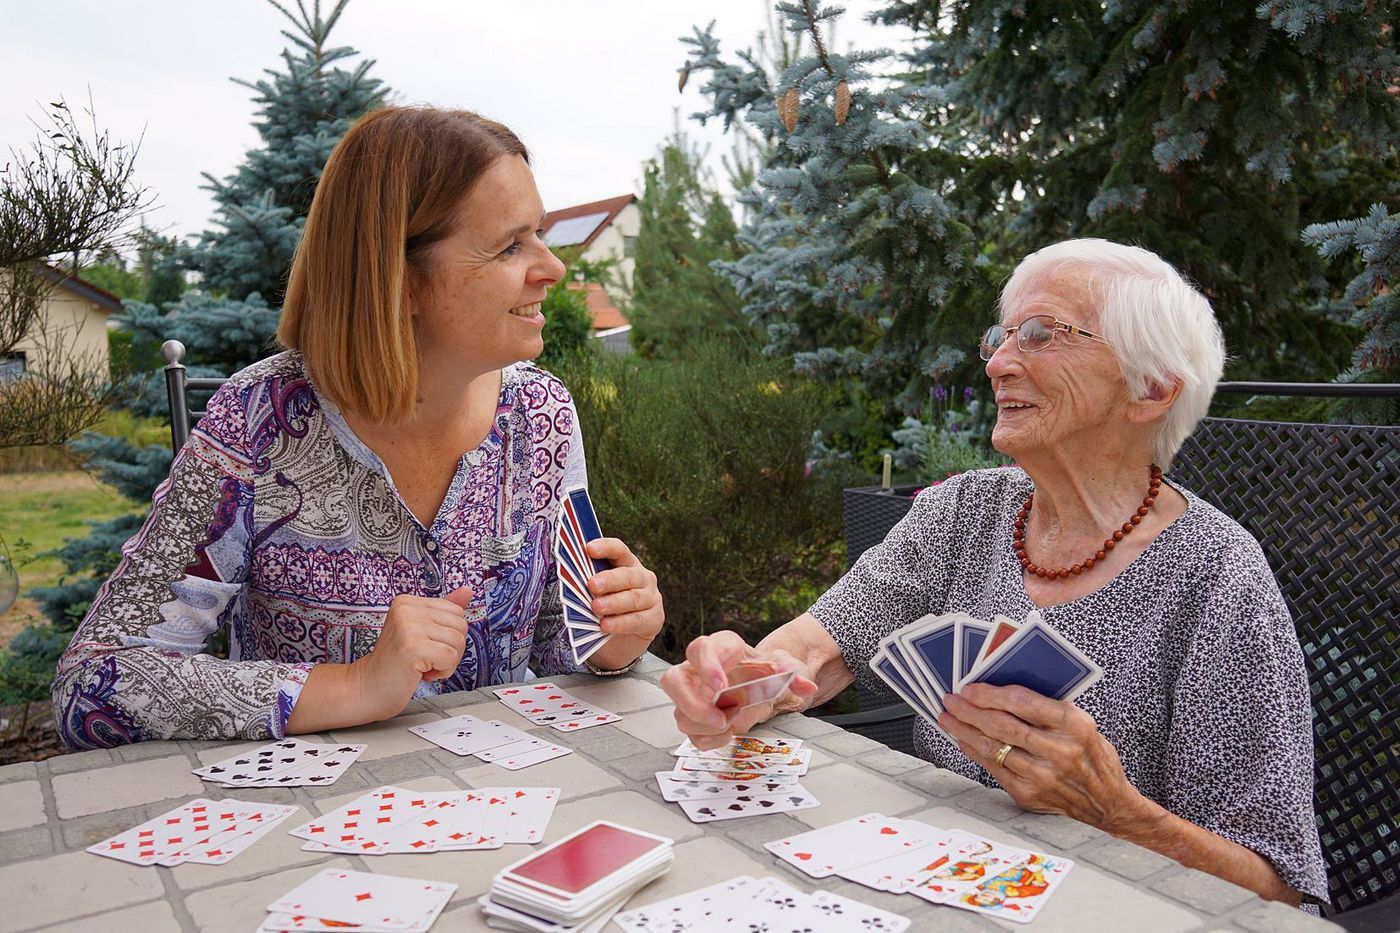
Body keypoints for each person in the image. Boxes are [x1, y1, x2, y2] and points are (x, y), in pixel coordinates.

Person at [660, 239, 1328, 908]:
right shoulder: (966, 509)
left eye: (1042, 335)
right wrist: (744, 677)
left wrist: (1114, 810)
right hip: (929, 885)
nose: (999, 364)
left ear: (1150, 388)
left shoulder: (1218, 575)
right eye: (1001, 338)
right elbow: (820, 647)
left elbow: (1277, 889)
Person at [53, 107, 664, 748]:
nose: (553, 267)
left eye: (537, 235)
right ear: (400, 280)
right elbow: (95, 682)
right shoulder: (258, 420)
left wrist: (610, 640)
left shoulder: (542, 415)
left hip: (507, 808)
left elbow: (549, 645)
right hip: (318, 825)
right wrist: (355, 684)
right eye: (510, 245)